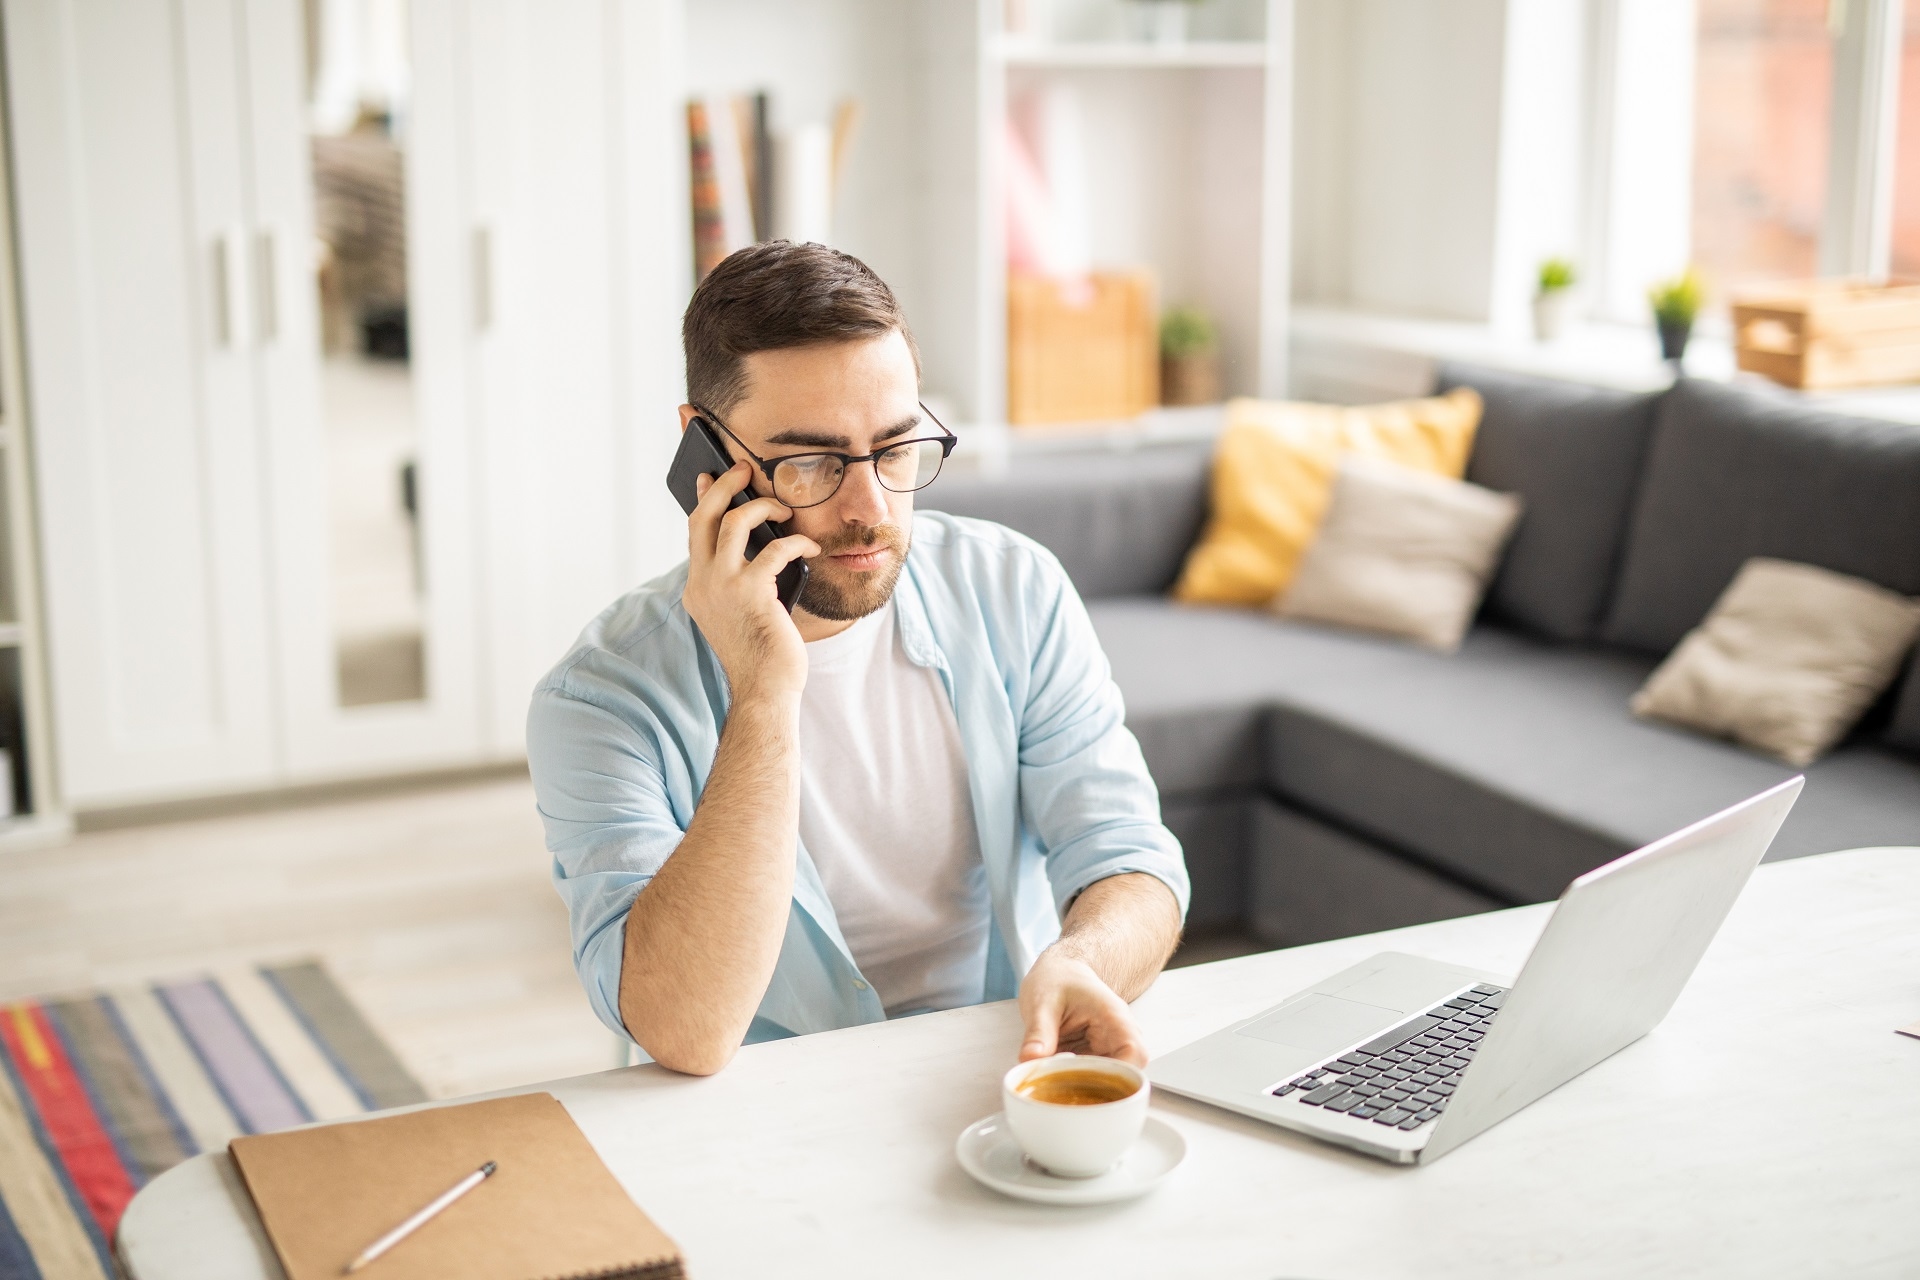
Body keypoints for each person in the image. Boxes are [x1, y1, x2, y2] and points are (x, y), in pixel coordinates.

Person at [528, 241, 1188, 1076]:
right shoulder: (599, 700)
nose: (870, 508)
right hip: (761, 1102)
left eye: (896, 448)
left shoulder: (1013, 589)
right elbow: (683, 1027)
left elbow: (1131, 858)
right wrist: (763, 695)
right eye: (812, 462)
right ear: (705, 454)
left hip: (987, 1071)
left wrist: (1083, 963)